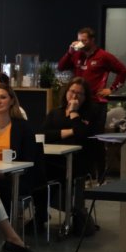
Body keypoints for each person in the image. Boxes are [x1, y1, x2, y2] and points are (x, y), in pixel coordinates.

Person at [0, 81, 44, 227]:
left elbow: (29, 160)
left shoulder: (23, 127)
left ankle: (2, 234)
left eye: (2, 97)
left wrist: (5, 173)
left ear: (12, 100)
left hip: (15, 178)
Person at [42, 77, 103, 235]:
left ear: (85, 97)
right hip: (54, 159)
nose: (74, 96)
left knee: (58, 173)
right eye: (72, 92)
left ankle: (73, 213)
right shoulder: (56, 113)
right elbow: (44, 135)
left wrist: (74, 113)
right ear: (66, 92)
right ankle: (40, 213)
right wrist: (69, 132)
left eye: (79, 94)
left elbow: (84, 135)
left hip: (78, 161)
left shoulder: (92, 113)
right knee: (38, 171)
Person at [57, 26, 126, 101]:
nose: (81, 43)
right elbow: (60, 67)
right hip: (79, 100)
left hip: (96, 100)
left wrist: (112, 89)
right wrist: (69, 53)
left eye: (84, 40)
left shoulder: (104, 56)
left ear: (92, 40)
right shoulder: (76, 55)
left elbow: (123, 71)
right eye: (79, 40)